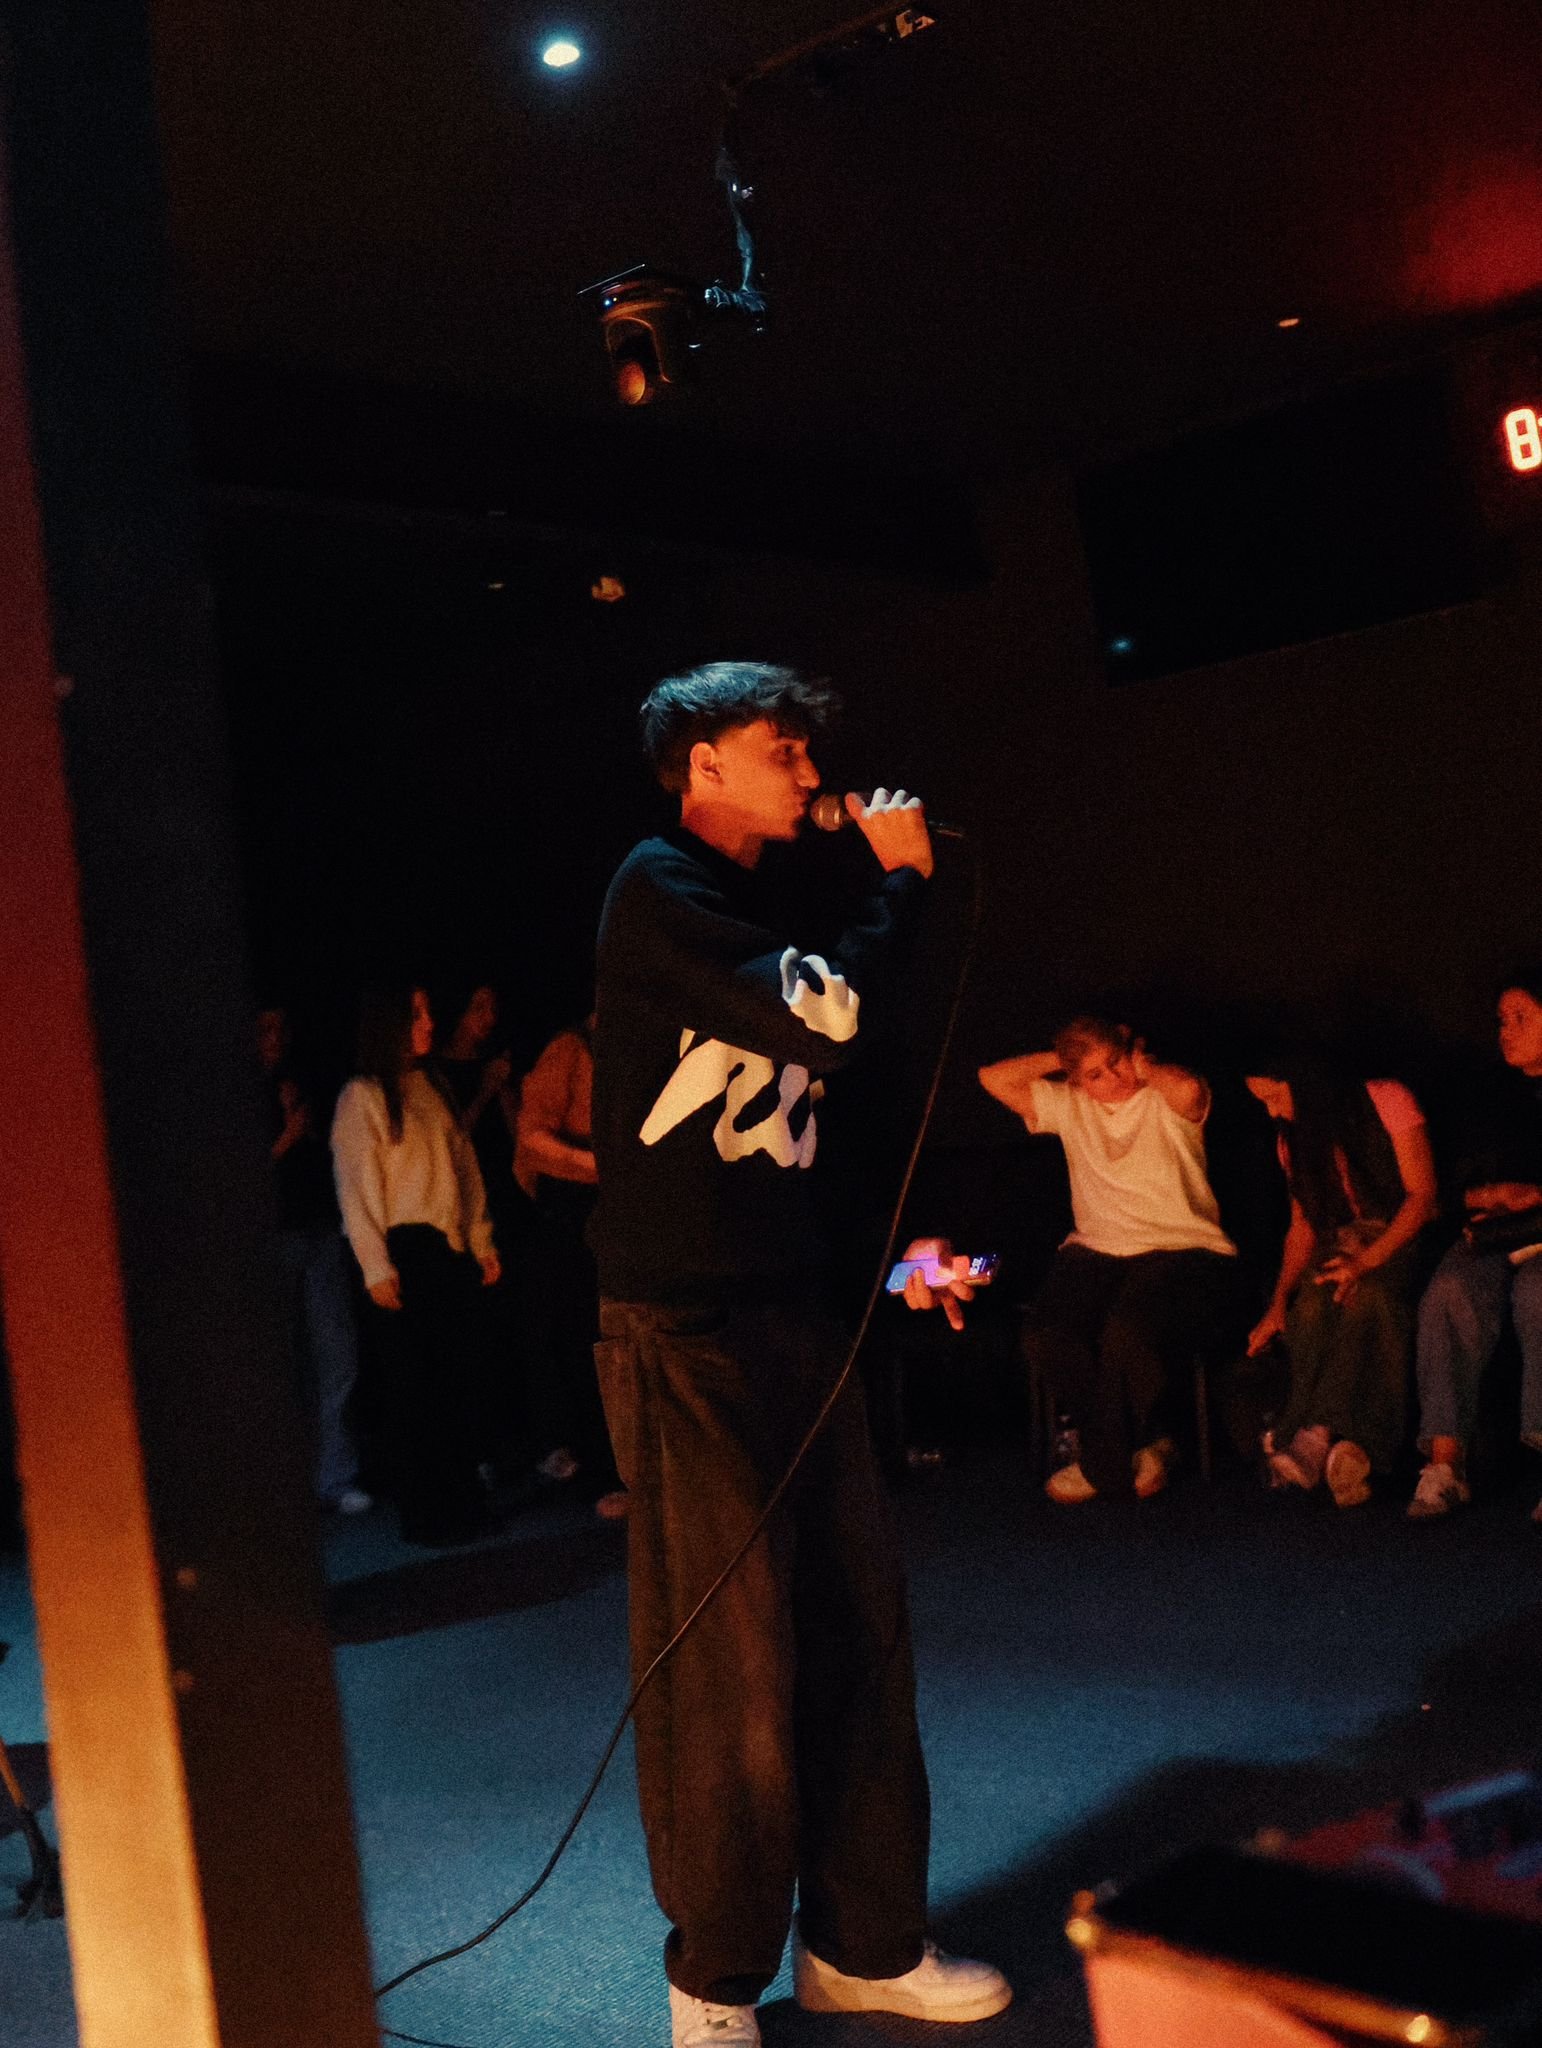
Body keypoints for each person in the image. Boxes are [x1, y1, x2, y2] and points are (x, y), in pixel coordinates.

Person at [588, 662, 1010, 2048]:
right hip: (685, 1331)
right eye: (783, 749)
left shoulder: (768, 912)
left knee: (854, 1633)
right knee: (733, 1672)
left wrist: (896, 1259)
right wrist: (904, 884)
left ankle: (864, 1945)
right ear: (702, 763)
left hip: (795, 1315)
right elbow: (829, 1016)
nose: (813, 773)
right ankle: (714, 1983)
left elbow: (828, 1103)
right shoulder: (658, 888)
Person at [975, 1018, 1239, 1502]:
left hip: (1183, 1245)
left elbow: (1189, 1090)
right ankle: (1147, 1447)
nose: (1113, 1078)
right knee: (1046, 1334)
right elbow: (991, 1078)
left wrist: (1143, 1064)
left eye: (1115, 1062)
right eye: (1096, 1074)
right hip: (1098, 1247)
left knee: (1127, 1331)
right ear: (1078, 1081)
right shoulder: (1069, 1103)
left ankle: (1103, 1465)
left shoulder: (1164, 1094)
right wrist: (1065, 1059)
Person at [331, 985, 501, 1545]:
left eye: (427, 1012)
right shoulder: (363, 1096)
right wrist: (375, 1266)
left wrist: (480, 1239)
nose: (429, 1023)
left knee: (454, 1381)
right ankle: (428, 1513)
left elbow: (464, 1169)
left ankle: (461, 1503)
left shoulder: (431, 1087)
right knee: (414, 1388)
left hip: (444, 1250)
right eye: (417, 1014)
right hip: (403, 1251)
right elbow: (357, 1188)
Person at [1243, 1051, 1437, 1507]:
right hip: (1342, 1241)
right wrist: (1278, 1302)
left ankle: (1316, 1434)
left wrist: (1365, 1262)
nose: (1272, 1111)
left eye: (1275, 1097)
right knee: (1312, 1302)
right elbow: (1302, 1227)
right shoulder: (1292, 1140)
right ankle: (1349, 1450)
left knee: (1371, 1297)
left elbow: (1422, 1196)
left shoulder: (1384, 1099)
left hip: (1400, 1234)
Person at [1408, 973, 1542, 1519]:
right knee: (1449, 1289)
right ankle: (1446, 1465)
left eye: (1522, 1018)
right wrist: (1490, 1195)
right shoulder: (1487, 1093)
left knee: (1538, 1295)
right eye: (1502, 1021)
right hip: (1495, 1233)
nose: (1506, 1031)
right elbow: (1449, 1185)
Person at [256, 1004, 370, 1514]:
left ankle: (336, 1475)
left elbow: (332, 1155)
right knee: (281, 1363)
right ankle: (283, 1481)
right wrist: (285, 1135)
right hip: (272, 1239)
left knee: (338, 1358)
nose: (277, 1037)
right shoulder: (232, 1093)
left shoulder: (305, 1084)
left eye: (283, 1027)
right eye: (266, 1028)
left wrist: (305, 1127)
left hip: (319, 1230)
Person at [516, 1011, 626, 1517]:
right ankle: (598, 1470)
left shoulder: (642, 1043)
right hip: (574, 1212)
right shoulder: (571, 1047)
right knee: (588, 1340)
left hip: (618, 1209)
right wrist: (598, 1167)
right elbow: (531, 1140)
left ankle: (625, 1465)